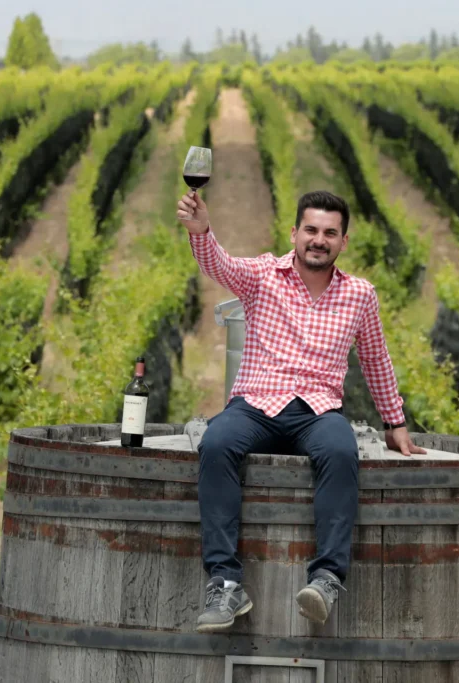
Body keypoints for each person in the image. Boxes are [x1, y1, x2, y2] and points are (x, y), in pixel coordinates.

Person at [176, 188, 425, 634]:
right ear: (294, 233)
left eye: (330, 232)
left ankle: (326, 578)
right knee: (216, 443)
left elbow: (375, 357)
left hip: (317, 411)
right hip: (255, 404)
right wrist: (201, 232)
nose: (319, 239)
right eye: (311, 229)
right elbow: (219, 264)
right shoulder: (262, 276)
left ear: (343, 241)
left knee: (341, 452)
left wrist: (395, 423)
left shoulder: (360, 295)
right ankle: (227, 582)